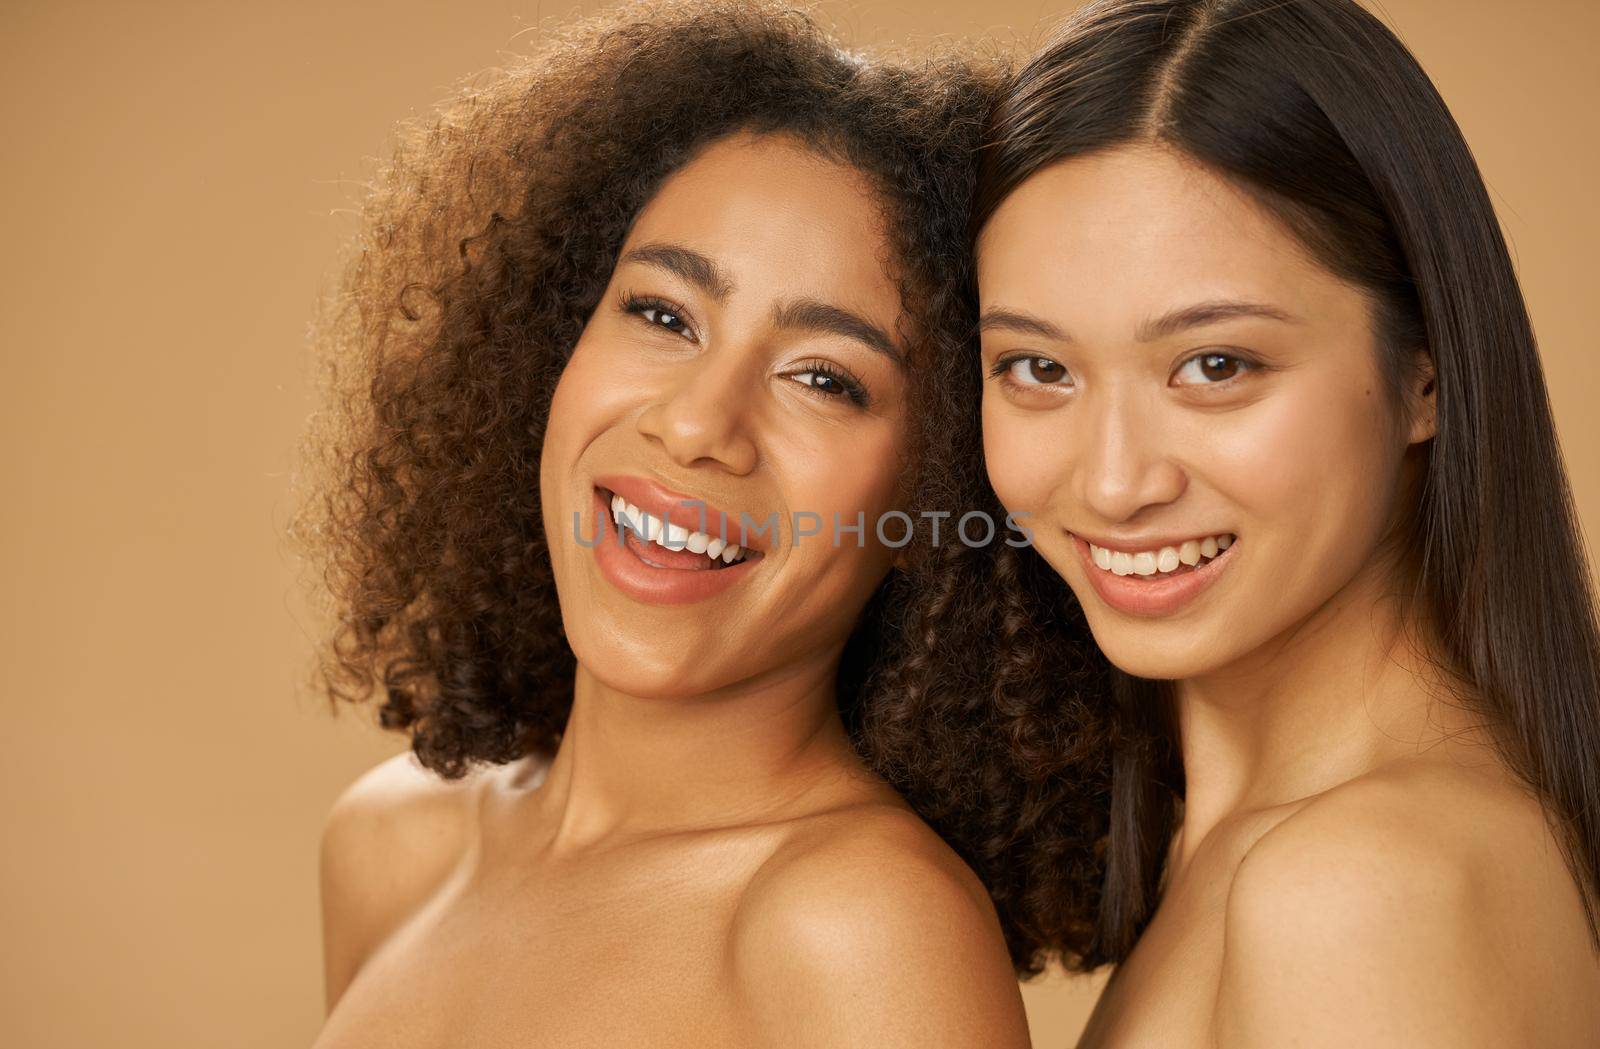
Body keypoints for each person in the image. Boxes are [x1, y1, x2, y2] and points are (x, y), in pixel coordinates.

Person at [289, 3, 1039, 1045]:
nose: (696, 424)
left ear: (941, 486)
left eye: (824, 377)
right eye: (662, 314)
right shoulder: (391, 840)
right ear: (551, 344)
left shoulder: (859, 929)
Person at [900, 0, 1600, 1044]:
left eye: (1215, 365)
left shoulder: (1362, 887)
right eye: (1038, 368)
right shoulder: (1251, 843)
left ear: (1427, 372)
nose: (1113, 480)